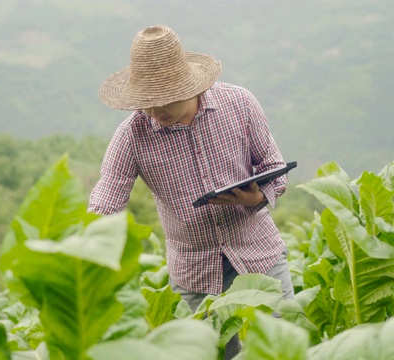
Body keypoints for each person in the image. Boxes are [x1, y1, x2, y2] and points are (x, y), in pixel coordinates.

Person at [88, 25, 294, 359]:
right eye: (147, 102)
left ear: (191, 85)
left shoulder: (239, 105)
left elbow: (273, 164)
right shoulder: (131, 136)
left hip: (259, 254)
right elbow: (106, 199)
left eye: (165, 100)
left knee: (282, 349)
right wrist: (85, 249)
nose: (155, 111)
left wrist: (257, 197)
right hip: (194, 273)